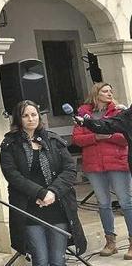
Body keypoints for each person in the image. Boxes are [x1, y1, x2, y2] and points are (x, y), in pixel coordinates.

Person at [0, 101, 86, 266]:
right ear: (18, 119)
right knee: (40, 259)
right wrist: (41, 193)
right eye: (25, 115)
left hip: (57, 206)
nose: (30, 119)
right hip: (29, 209)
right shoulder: (10, 144)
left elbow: (69, 170)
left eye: (33, 114)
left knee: (57, 260)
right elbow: (13, 175)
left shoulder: (53, 140)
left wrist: (52, 192)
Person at [71, 82, 132, 257]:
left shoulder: (120, 112)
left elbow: (125, 138)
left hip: (117, 162)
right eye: (105, 91)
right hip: (94, 164)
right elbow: (77, 138)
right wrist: (96, 136)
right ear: (96, 94)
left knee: (126, 202)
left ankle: (131, 242)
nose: (109, 94)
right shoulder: (84, 114)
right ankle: (110, 241)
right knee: (103, 203)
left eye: (111, 91)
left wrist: (110, 135)